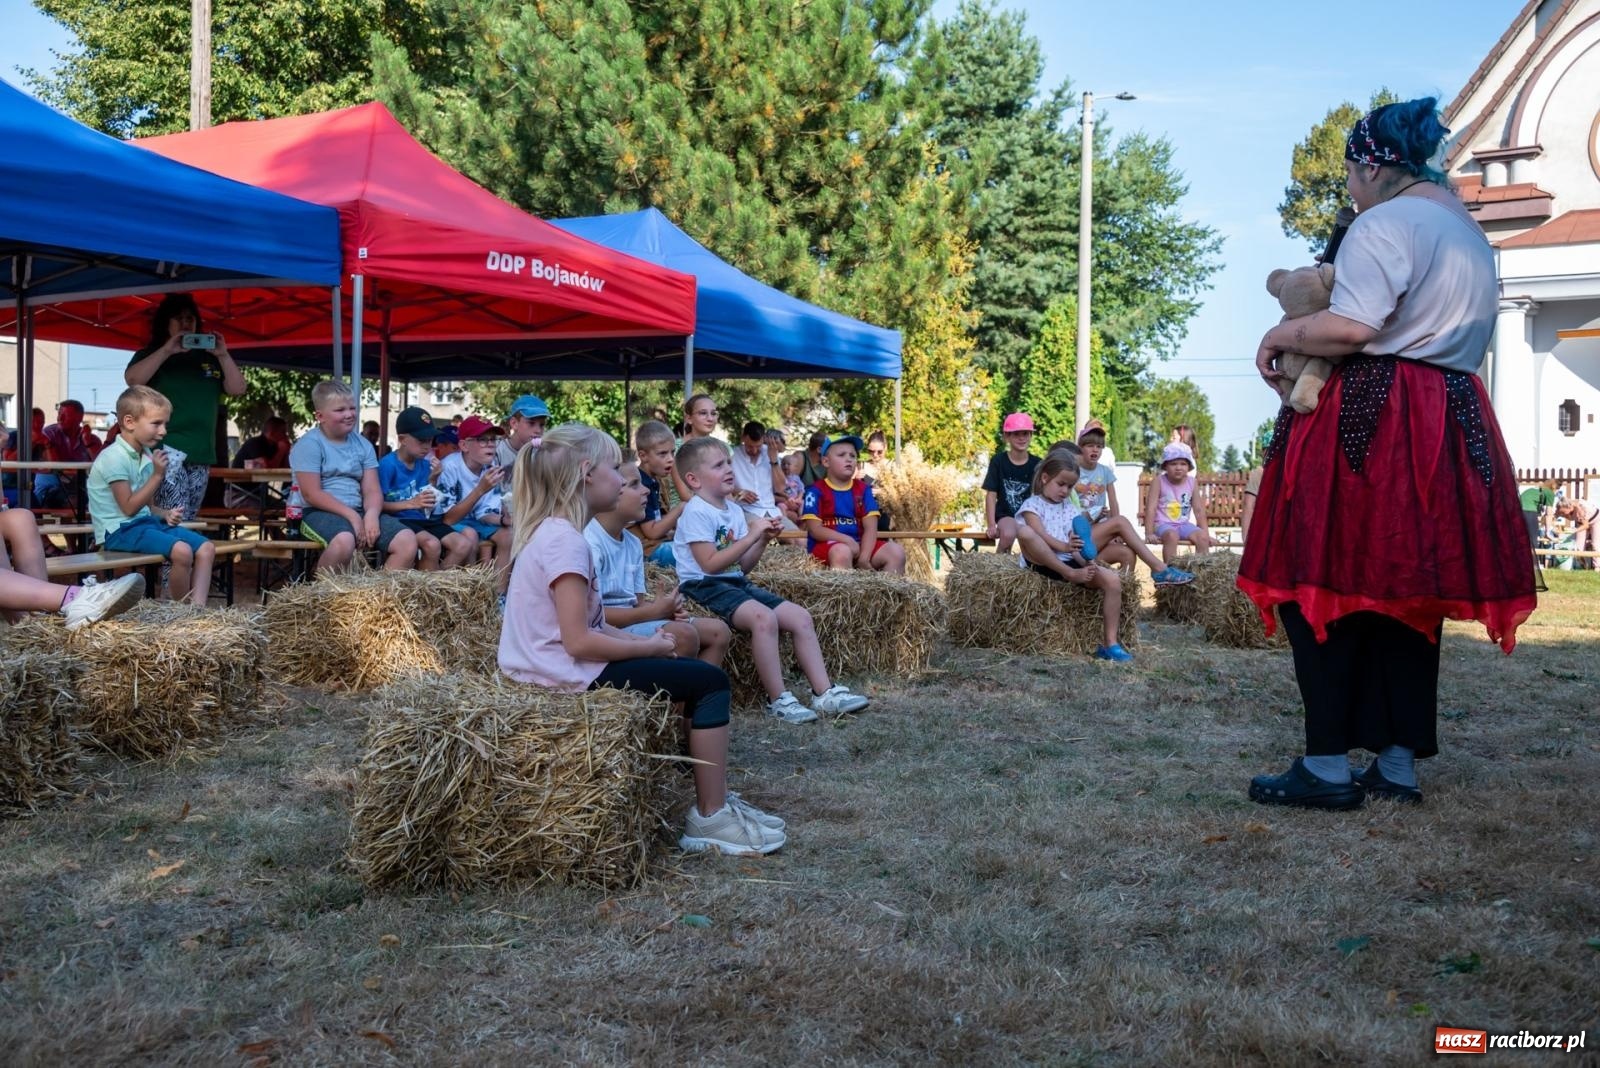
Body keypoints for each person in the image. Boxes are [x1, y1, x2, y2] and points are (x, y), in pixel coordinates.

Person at [1241, 97, 1537, 810]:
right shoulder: (1468, 236)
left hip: (1374, 413)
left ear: (1373, 166)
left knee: (1323, 576)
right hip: (1451, 413)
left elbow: (1351, 328)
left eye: (1349, 171)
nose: (1348, 186)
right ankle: (1397, 764)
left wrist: (1284, 336)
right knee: (1409, 590)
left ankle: (1327, 766)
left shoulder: (1384, 224)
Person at [499, 424, 784, 855]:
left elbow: (590, 625)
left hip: (554, 667)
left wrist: (650, 642)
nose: (624, 479)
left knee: (689, 671)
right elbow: (579, 642)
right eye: (616, 469)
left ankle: (716, 799)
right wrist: (647, 646)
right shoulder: (566, 544)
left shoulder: (556, 533)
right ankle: (710, 816)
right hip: (561, 675)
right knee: (709, 684)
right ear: (585, 475)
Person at [672, 436, 871, 724]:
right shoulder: (696, 512)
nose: (729, 469)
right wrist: (753, 534)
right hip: (702, 585)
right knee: (764, 619)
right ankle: (778, 699)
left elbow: (742, 566)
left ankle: (824, 693)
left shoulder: (733, 511)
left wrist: (762, 540)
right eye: (718, 465)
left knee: (800, 617)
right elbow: (710, 564)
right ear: (694, 479)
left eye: (729, 462)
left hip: (733, 583)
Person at [585, 451, 732, 665]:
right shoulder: (590, 541)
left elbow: (636, 605)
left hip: (629, 623)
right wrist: (655, 612)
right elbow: (589, 615)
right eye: (634, 484)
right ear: (611, 491)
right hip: (603, 631)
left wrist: (664, 610)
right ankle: (676, 696)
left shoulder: (633, 543)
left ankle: (701, 694)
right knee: (684, 635)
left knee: (718, 631)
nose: (646, 490)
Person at [88, 386, 216, 606]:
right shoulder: (113, 458)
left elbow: (147, 507)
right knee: (182, 551)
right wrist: (157, 475)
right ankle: (180, 611)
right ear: (129, 422)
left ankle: (198, 612)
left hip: (143, 523)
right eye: (156, 423)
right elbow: (128, 508)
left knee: (207, 548)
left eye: (165, 423)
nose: (164, 431)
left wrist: (165, 513)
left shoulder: (146, 455)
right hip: (118, 530)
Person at [123, 293, 247, 521]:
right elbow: (133, 380)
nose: (185, 323)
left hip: (201, 451)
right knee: (174, 518)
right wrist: (167, 350)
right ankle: (172, 556)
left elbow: (237, 388)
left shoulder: (210, 357)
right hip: (166, 450)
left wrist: (223, 354)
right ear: (165, 323)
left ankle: (177, 556)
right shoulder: (153, 354)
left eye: (190, 318)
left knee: (187, 518)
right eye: (178, 318)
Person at [1013, 450, 1133, 662]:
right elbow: (1040, 534)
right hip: (1042, 562)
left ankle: (1111, 644)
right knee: (1025, 533)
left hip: (1070, 561)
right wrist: (1066, 550)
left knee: (1113, 580)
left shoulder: (1069, 509)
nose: (1065, 491)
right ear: (1044, 478)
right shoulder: (1032, 505)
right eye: (1061, 484)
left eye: (1070, 487)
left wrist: (1087, 562)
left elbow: (1075, 543)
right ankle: (1068, 574)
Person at [288, 380, 419, 574]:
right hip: (316, 513)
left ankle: (377, 599)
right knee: (344, 540)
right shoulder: (309, 444)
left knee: (407, 541)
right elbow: (312, 494)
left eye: (352, 408)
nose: (349, 414)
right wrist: (352, 517)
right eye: (340, 410)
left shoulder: (363, 444)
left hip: (359, 510)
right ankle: (320, 598)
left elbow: (372, 489)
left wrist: (372, 516)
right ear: (320, 416)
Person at [378, 407, 478, 571]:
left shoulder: (425, 465)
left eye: (430, 440)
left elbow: (428, 505)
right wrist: (410, 504)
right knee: (432, 545)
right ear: (402, 439)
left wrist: (433, 479)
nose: (427, 447)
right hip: (399, 521)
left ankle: (434, 585)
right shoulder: (387, 465)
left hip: (423, 520)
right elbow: (377, 504)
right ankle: (427, 589)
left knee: (462, 545)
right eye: (421, 441)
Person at [800, 435, 906, 574]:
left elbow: (871, 528)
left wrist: (864, 558)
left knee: (896, 552)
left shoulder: (864, 489)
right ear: (826, 461)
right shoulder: (815, 491)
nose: (849, 459)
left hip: (861, 545)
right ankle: (845, 595)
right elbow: (815, 530)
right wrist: (847, 541)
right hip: (827, 547)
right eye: (841, 455)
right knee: (842, 552)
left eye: (853, 455)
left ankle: (887, 595)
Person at [437, 415, 513, 588]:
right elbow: (448, 519)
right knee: (470, 535)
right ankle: (471, 595)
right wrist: (480, 489)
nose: (491, 444)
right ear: (464, 445)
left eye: (493, 439)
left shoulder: (491, 465)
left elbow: (484, 513)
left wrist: (503, 520)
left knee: (508, 535)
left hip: (475, 521)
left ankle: (498, 597)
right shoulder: (449, 467)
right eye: (482, 440)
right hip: (449, 522)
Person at [1144, 443, 1211, 563]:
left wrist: (1206, 534)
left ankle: (1201, 575)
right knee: (1172, 536)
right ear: (1165, 466)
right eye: (1173, 464)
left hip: (1183, 524)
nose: (1178, 467)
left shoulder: (1192, 482)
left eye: (1183, 464)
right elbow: (1151, 508)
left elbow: (1199, 510)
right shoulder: (1159, 481)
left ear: (1189, 466)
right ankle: (1171, 572)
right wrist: (1149, 533)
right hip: (1162, 524)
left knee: (1202, 538)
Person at [982, 413, 1039, 553]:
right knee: (1008, 534)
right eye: (1016, 434)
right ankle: (997, 567)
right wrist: (991, 525)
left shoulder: (1038, 464)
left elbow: (1041, 494)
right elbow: (991, 494)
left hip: (1029, 515)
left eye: (1025, 433)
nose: (1021, 438)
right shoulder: (998, 461)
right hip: (1005, 514)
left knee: (1035, 541)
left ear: (1031, 435)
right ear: (1007, 437)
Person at [634, 420, 686, 567]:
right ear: (643, 456)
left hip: (655, 544)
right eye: (662, 454)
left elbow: (656, 519)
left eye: (672, 452)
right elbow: (652, 532)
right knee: (695, 552)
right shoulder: (641, 484)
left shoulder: (654, 480)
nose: (670, 459)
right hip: (647, 551)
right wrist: (680, 508)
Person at [729, 420, 793, 530]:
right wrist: (738, 492)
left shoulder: (770, 452)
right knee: (757, 535)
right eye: (749, 446)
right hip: (745, 510)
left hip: (772, 512)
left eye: (758, 446)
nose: (754, 450)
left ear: (764, 439)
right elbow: (720, 485)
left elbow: (781, 488)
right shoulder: (732, 455)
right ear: (743, 438)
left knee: (800, 541)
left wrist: (773, 459)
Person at [223, 416, 292, 511]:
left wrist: (286, 452)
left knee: (287, 509)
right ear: (272, 432)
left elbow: (285, 468)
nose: (286, 435)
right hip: (238, 495)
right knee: (270, 512)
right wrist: (281, 451)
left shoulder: (274, 447)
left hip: (257, 494)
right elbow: (266, 469)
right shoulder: (255, 443)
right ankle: (269, 525)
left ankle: (274, 525)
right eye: (283, 432)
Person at [36, 400, 92, 509]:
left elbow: (100, 463)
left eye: (64, 415)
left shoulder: (88, 437)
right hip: (52, 486)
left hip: (76, 486)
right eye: (59, 414)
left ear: (79, 418)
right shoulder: (49, 433)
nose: (59, 418)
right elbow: (55, 466)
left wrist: (88, 443)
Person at [1074, 420, 1121, 524]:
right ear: (1080, 448)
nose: (1095, 450)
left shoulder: (1105, 471)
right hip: (1078, 522)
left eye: (1099, 446)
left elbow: (1113, 501)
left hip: (1099, 522)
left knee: (1121, 523)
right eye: (1090, 445)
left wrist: (1116, 523)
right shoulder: (1073, 470)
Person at [1554, 498, 1597, 567]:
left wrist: (1574, 530)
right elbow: (1554, 516)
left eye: (1563, 512)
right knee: (1578, 547)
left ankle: (1597, 567)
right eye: (1560, 512)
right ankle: (1583, 566)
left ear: (1570, 508)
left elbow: (1586, 525)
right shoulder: (1562, 508)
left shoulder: (1579, 509)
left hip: (1596, 520)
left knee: (1596, 544)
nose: (1561, 514)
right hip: (1581, 522)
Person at [1519, 481, 1558, 546]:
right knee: (1533, 542)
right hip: (1529, 511)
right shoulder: (1550, 493)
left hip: (1518, 511)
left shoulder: (1533, 490)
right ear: (1554, 488)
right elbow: (1548, 514)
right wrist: (1548, 533)